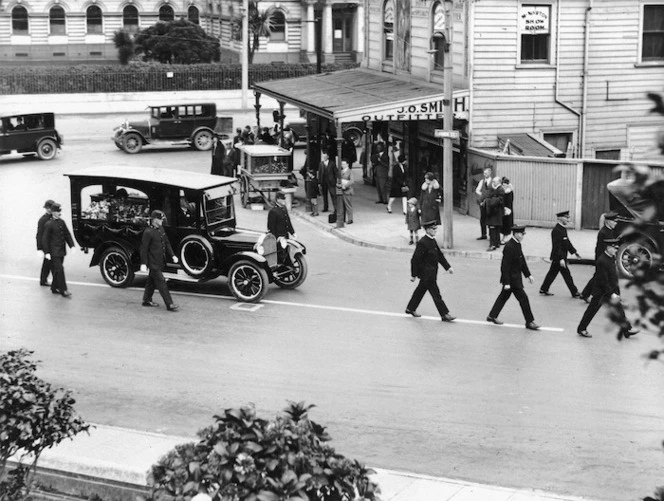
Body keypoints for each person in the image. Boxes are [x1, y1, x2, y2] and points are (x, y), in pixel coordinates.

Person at [576, 238, 640, 339]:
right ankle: (581, 328)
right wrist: (612, 294)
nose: (616, 251)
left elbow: (613, 277)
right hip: (601, 292)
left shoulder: (611, 257)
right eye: (614, 248)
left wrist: (617, 292)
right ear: (609, 248)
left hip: (610, 290)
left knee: (619, 310)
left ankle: (626, 330)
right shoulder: (602, 260)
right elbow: (603, 280)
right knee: (591, 310)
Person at [486, 225, 541, 330]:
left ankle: (492, 316)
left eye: (523, 234)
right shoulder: (510, 246)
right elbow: (505, 266)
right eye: (521, 234)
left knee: (503, 297)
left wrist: (528, 274)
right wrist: (506, 283)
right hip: (512, 280)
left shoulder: (517, 244)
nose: (522, 236)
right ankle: (529, 322)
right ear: (515, 234)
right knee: (523, 299)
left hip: (514, 278)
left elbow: (522, 261)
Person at [405, 221, 456, 322]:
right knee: (436, 295)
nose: (435, 231)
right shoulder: (423, 242)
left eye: (436, 229)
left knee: (420, 291)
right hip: (427, 275)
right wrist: (413, 274)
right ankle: (444, 314)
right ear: (427, 230)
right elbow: (415, 259)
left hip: (431, 273)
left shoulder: (432, 241)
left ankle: (410, 308)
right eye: (433, 229)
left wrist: (448, 267)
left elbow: (439, 256)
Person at [140, 210, 179, 311]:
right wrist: (143, 263)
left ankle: (146, 300)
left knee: (151, 281)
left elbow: (166, 243)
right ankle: (169, 304)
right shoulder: (148, 232)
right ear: (154, 220)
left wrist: (173, 255)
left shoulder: (160, 229)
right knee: (161, 283)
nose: (162, 220)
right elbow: (144, 249)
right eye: (160, 219)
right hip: (153, 263)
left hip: (159, 261)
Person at [539, 210, 582, 298]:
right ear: (560, 218)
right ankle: (574, 292)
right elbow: (557, 246)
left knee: (552, 273)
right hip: (558, 257)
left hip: (560, 257)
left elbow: (567, 242)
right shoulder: (557, 230)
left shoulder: (562, 229)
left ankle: (544, 289)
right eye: (566, 218)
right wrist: (561, 259)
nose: (568, 220)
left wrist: (575, 252)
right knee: (566, 275)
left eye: (568, 218)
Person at [580, 211, 619, 302]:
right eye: (614, 221)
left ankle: (585, 294)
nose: (615, 223)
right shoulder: (603, 233)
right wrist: (600, 261)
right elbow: (600, 248)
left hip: (608, 258)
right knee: (603, 278)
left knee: (601, 277)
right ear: (608, 221)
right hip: (603, 259)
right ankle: (591, 296)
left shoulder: (610, 231)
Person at [42, 203, 75, 298]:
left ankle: (54, 287)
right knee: (60, 269)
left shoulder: (62, 222)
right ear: (53, 212)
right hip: (53, 252)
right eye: (57, 211)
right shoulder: (49, 224)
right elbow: (45, 239)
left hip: (61, 251)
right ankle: (63, 290)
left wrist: (72, 246)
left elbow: (67, 235)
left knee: (57, 270)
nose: (59, 213)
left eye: (59, 211)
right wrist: (47, 252)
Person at [482, 176, 505, 251]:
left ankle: (493, 244)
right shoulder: (496, 189)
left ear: (498, 182)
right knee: (496, 228)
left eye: (494, 181)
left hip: (495, 212)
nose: (493, 183)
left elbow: (499, 200)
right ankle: (497, 243)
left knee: (493, 228)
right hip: (495, 212)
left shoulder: (500, 189)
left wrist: (489, 200)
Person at [36, 199, 55, 287]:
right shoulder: (43, 220)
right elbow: (39, 234)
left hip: (52, 244)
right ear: (47, 208)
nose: (50, 209)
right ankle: (44, 280)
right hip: (46, 245)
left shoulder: (53, 218)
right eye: (49, 208)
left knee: (48, 263)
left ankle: (43, 280)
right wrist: (39, 248)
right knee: (49, 263)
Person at [475, 167, 493, 240]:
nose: (484, 174)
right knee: (482, 218)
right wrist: (482, 194)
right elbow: (477, 190)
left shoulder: (493, 181)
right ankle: (483, 234)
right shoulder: (482, 181)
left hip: (490, 202)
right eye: (484, 173)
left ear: (490, 173)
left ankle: (491, 234)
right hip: (482, 202)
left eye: (486, 173)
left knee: (490, 218)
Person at [500, 177, 514, 245]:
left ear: (507, 185)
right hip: (504, 209)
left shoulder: (509, 192)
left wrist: (506, 209)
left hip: (507, 210)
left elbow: (509, 202)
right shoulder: (504, 191)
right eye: (503, 185)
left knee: (506, 224)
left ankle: (505, 238)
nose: (503, 186)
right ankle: (503, 237)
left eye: (505, 185)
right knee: (503, 224)